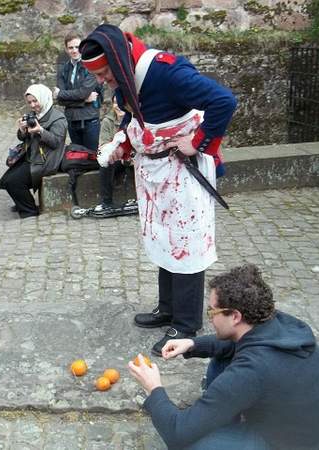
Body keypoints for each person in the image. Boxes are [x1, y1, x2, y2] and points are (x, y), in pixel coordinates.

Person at [80, 24, 237, 355]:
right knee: (164, 239)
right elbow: (135, 117)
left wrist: (198, 141)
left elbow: (224, 100)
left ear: (119, 60)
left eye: (105, 73)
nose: (102, 81)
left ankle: (186, 322)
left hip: (184, 171)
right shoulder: (125, 78)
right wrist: (122, 142)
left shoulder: (168, 73)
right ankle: (167, 309)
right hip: (156, 172)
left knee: (186, 243)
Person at [128, 264, 319, 450]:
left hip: (295, 444)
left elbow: (177, 434)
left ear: (235, 316)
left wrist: (154, 389)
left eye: (212, 312)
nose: (210, 318)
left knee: (190, 444)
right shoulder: (278, 323)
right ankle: (219, 414)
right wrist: (192, 343)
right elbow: (233, 342)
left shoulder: (253, 370)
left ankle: (218, 419)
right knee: (222, 355)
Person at [54, 33, 112, 212]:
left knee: (97, 158)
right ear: (66, 49)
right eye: (70, 47)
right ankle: (80, 198)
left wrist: (66, 96)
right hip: (72, 120)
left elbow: (79, 91)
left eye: (77, 47)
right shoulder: (64, 69)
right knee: (78, 161)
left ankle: (103, 198)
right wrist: (82, 99)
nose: (74, 51)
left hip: (90, 120)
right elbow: (61, 99)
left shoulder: (89, 67)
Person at [0, 84, 67, 218]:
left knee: (14, 181)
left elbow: (56, 142)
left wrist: (41, 131)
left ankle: (29, 212)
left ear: (44, 99)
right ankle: (23, 203)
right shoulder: (33, 115)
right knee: (7, 179)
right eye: (29, 102)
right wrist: (22, 130)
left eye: (35, 101)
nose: (33, 105)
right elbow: (22, 138)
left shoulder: (58, 118)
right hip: (32, 157)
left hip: (47, 160)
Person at [98, 95, 136, 210]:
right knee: (105, 165)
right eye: (114, 103)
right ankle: (107, 202)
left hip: (133, 156)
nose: (118, 106)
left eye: (119, 103)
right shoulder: (107, 121)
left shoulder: (134, 119)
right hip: (116, 157)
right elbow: (103, 145)